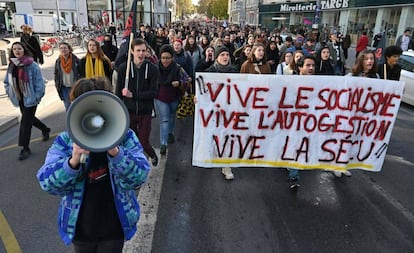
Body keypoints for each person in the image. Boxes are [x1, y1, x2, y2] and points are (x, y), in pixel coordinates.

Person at [36, 77, 150, 252]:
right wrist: (72, 162)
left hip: (113, 229)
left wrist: (117, 153)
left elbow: (139, 177)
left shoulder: (124, 137)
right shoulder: (66, 141)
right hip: (82, 230)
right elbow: (47, 183)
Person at [116, 38, 160, 167]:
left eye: (143, 51)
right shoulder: (124, 68)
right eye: (138, 51)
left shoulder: (152, 69)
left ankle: (151, 154)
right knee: (131, 141)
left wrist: (133, 95)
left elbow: (153, 92)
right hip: (129, 111)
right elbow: (118, 91)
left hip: (145, 111)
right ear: (132, 51)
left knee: (143, 141)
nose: (141, 54)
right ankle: (135, 165)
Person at [3, 42, 50, 160]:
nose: (17, 51)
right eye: (14, 49)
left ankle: (25, 148)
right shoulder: (12, 65)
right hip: (20, 98)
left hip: (31, 98)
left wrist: (37, 96)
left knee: (25, 123)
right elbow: (6, 82)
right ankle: (45, 129)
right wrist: (10, 91)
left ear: (24, 50)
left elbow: (39, 83)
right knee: (29, 119)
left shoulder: (32, 65)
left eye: (19, 48)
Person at [205, 46, 238, 180]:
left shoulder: (235, 71)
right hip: (214, 110)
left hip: (229, 109)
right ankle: (212, 155)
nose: (225, 57)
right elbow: (203, 90)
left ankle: (226, 166)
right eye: (222, 54)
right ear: (217, 57)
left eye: (227, 54)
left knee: (227, 137)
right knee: (215, 135)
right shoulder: (209, 72)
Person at [155, 44, 191, 155]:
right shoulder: (155, 68)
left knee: (171, 116)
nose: (165, 60)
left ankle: (170, 133)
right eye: (163, 58)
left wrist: (179, 83)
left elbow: (188, 79)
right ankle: (163, 143)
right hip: (160, 98)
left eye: (168, 58)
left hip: (174, 97)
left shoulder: (178, 68)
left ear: (172, 58)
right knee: (164, 120)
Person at [287, 55, 316, 189]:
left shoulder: (319, 83)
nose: (311, 68)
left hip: (311, 122)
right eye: (308, 65)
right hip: (293, 122)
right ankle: (294, 176)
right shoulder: (290, 83)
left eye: (313, 66)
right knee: (294, 146)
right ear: (300, 68)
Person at [54, 42, 81, 111]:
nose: (63, 50)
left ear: (69, 49)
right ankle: (70, 121)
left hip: (75, 87)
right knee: (68, 107)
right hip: (64, 88)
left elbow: (81, 73)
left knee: (78, 105)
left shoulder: (76, 60)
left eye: (65, 48)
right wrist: (57, 84)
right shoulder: (58, 62)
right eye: (61, 48)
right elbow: (56, 75)